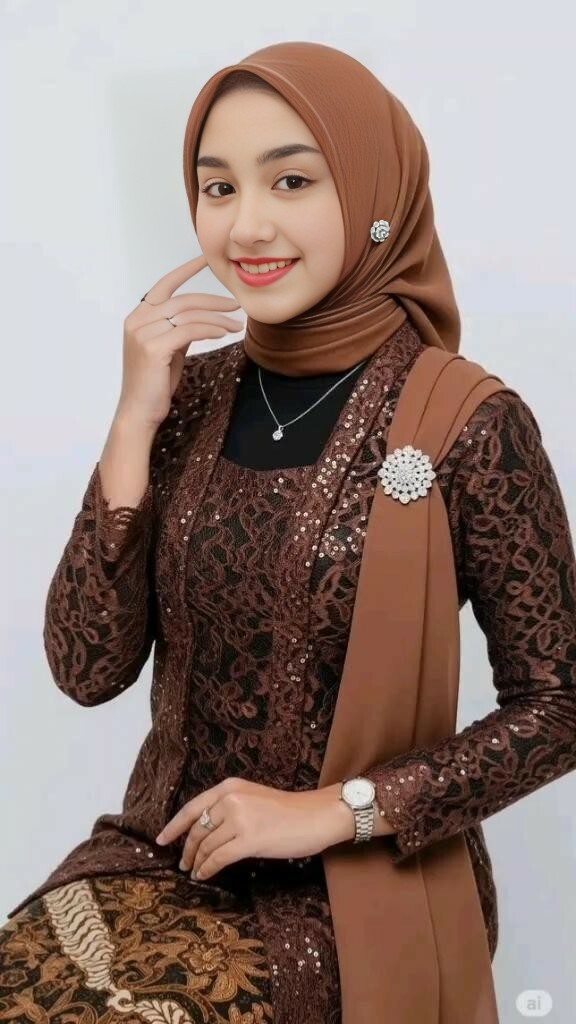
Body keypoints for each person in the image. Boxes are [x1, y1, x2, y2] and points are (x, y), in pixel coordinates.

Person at [1, 40, 575, 1024]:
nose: (247, 224)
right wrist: (133, 420)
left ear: (377, 195)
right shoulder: (189, 398)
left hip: (359, 883)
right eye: (217, 187)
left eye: (292, 180)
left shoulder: (468, 422)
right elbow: (86, 668)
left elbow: (559, 705)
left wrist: (332, 811)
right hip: (166, 854)